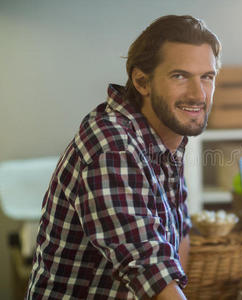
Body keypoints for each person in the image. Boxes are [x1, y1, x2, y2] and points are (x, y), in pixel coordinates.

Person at [26, 15, 221, 299]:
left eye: (207, 76)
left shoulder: (166, 136)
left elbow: (177, 243)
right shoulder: (112, 145)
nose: (198, 93)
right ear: (142, 82)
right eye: (179, 76)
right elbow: (152, 271)